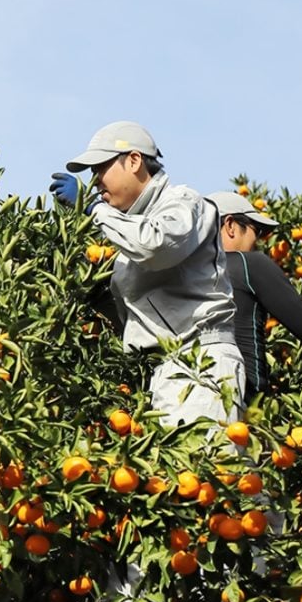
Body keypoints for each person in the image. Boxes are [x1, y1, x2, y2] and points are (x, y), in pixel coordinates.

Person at [51, 122, 245, 427]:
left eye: (101, 169)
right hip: (166, 370)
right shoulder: (128, 233)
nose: (96, 182)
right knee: (172, 473)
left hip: (202, 363)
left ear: (134, 161)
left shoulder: (183, 203)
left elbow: (156, 246)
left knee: (204, 468)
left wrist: (94, 210)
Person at [209, 191, 302, 401]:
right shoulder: (248, 264)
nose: (260, 242)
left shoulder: (177, 278)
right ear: (231, 225)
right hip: (241, 406)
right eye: (257, 231)